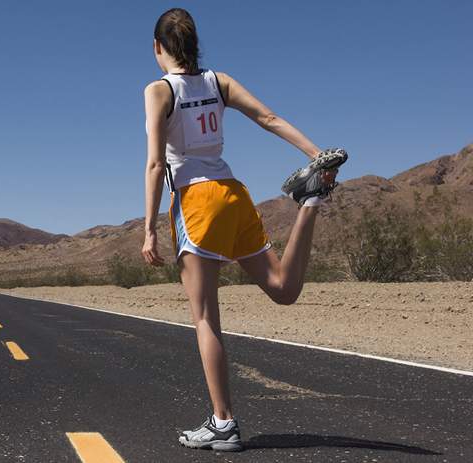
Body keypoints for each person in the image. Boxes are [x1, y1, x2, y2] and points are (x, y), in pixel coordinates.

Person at [141, 8, 347, 452]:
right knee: (283, 288)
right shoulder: (220, 82)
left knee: (204, 318)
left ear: (158, 47)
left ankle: (223, 422)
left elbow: (157, 163)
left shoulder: (158, 91)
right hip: (234, 194)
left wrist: (150, 229)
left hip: (196, 203)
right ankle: (309, 202)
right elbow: (269, 117)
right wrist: (317, 156)